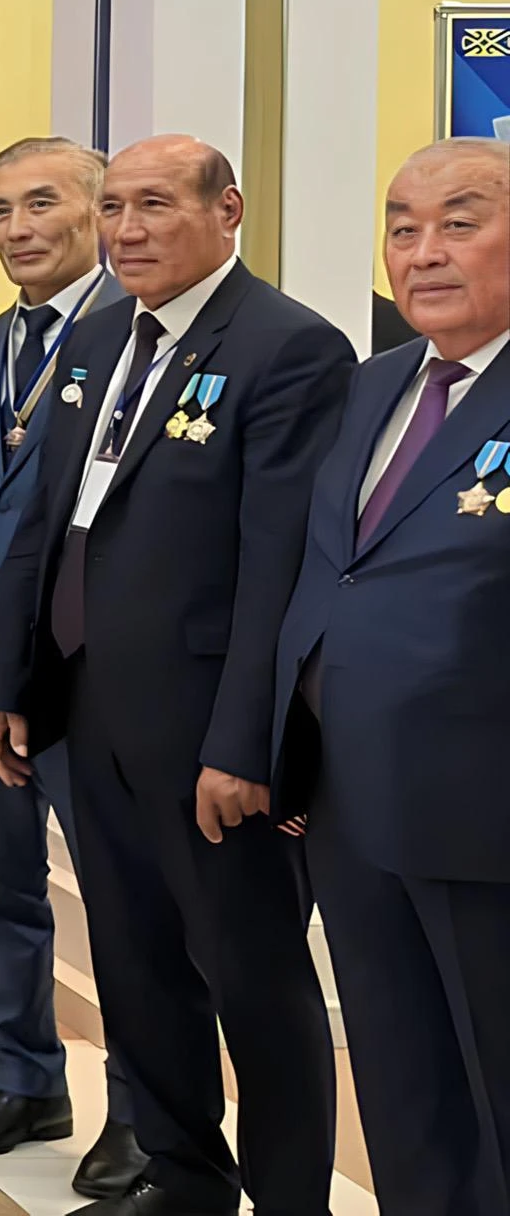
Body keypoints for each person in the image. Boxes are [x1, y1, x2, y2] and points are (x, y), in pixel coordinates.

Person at [0, 135, 348, 1216]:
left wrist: (245, 744)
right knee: (135, 964)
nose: (126, 231)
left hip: (205, 731)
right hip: (91, 709)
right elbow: (44, 525)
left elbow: (279, 568)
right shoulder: (98, 339)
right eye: (115, 210)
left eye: (154, 206)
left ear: (226, 210)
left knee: (252, 977)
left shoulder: (288, 348)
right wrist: (8, 680)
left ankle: (289, 1197)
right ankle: (184, 1177)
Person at [275, 138, 510, 1216]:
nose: (422, 252)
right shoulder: (372, 385)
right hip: (352, 808)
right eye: (401, 227)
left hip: (483, 815)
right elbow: (331, 576)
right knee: (403, 1085)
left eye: (459, 223)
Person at [0, 139, 144, 1195]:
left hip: (80, 666)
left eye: (40, 203)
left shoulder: (136, 338)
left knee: (122, 902)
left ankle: (142, 1109)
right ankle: (24, 1079)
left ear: (97, 212)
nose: (15, 227)